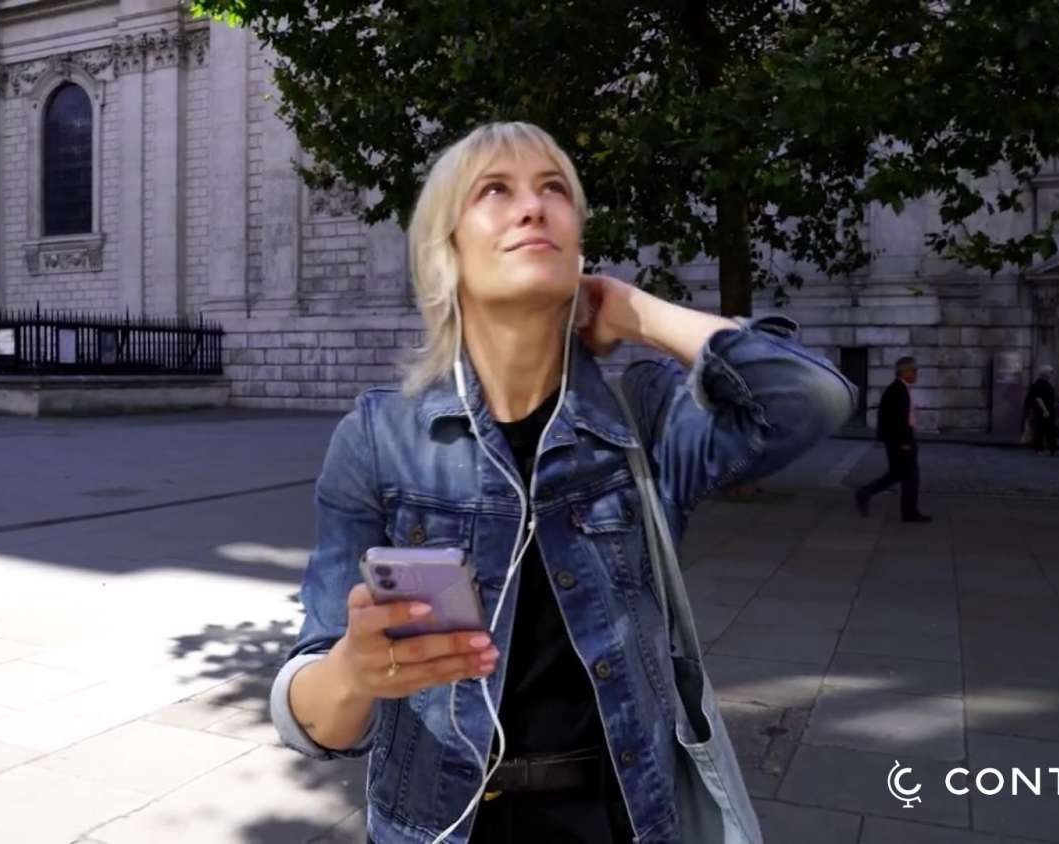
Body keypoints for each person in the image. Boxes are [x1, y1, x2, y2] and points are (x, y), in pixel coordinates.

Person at [268, 122, 855, 844]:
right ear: (445, 250)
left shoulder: (642, 418)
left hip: (617, 818)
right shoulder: (380, 438)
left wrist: (637, 312)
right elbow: (306, 715)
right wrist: (355, 671)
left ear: (579, 247)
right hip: (439, 826)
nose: (532, 207)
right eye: (495, 190)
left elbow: (811, 399)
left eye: (554, 190)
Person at [854, 357, 932, 523]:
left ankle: (865, 493)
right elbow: (897, 419)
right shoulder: (897, 390)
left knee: (896, 475)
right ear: (904, 371)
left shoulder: (900, 388)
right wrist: (904, 442)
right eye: (913, 370)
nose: (916, 373)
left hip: (899, 439)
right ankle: (909, 513)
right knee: (911, 477)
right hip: (901, 441)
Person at [1024, 365, 1058, 455]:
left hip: (1045, 410)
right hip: (1043, 410)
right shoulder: (1040, 384)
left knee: (1045, 430)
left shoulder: (1044, 383)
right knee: (1043, 430)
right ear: (1045, 374)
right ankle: (1042, 448)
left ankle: (1048, 448)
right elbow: (1038, 398)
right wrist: (1045, 410)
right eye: (1050, 372)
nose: (1051, 374)